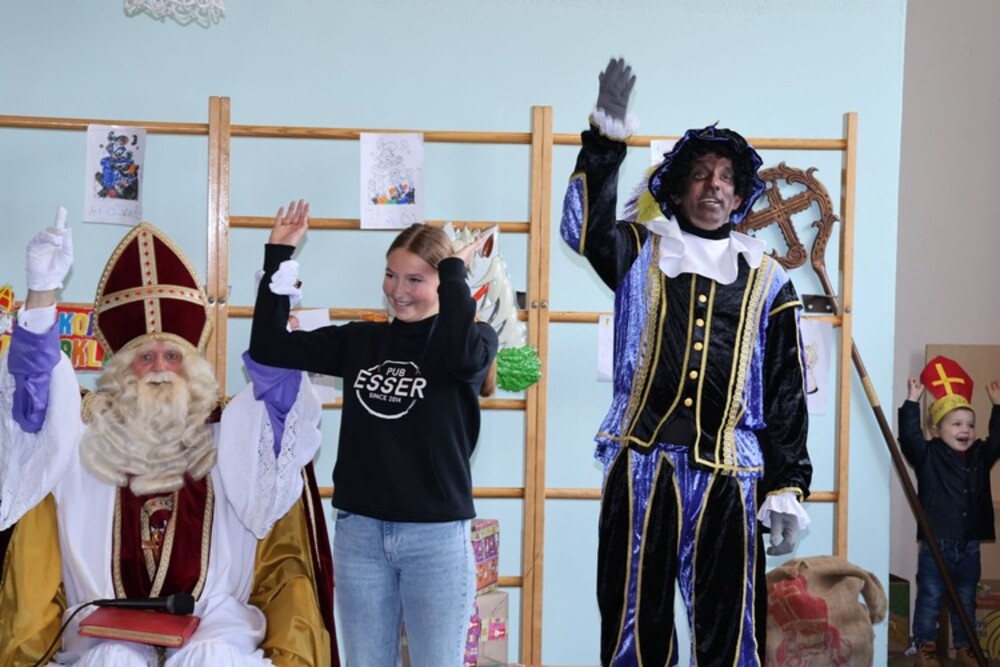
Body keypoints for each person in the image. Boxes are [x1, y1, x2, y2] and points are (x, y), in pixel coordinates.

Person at [559, 58, 812, 666]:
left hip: (730, 478)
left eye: (725, 178)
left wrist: (787, 483)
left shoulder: (769, 280)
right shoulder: (639, 253)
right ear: (675, 191)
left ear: (740, 195)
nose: (713, 186)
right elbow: (580, 227)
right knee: (633, 623)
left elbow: (785, 388)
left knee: (730, 629)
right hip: (640, 468)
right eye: (699, 175)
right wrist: (604, 141)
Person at [0, 215, 335, 666]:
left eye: (173, 355)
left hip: (212, 620)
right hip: (103, 625)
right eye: (145, 357)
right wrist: (41, 295)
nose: (160, 368)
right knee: (113, 661)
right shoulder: (82, 433)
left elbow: (279, 389)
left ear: (193, 366)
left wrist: (274, 295)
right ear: (120, 370)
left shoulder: (229, 433)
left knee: (213, 659)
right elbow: (33, 396)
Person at [248, 200, 499, 667]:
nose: (398, 291)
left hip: (435, 539)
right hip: (360, 534)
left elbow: (461, 357)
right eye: (390, 275)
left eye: (415, 279)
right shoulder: (361, 341)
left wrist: (455, 271)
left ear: (443, 282)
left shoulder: (474, 341)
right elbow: (268, 346)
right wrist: (278, 254)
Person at [898, 356, 1000, 667]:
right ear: (935, 429)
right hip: (937, 543)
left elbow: (998, 441)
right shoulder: (928, 455)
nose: (965, 430)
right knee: (930, 597)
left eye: (970, 424)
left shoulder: (980, 456)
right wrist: (911, 403)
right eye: (956, 424)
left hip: (969, 545)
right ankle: (925, 647)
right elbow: (910, 440)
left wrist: (998, 408)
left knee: (965, 598)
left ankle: (964, 646)